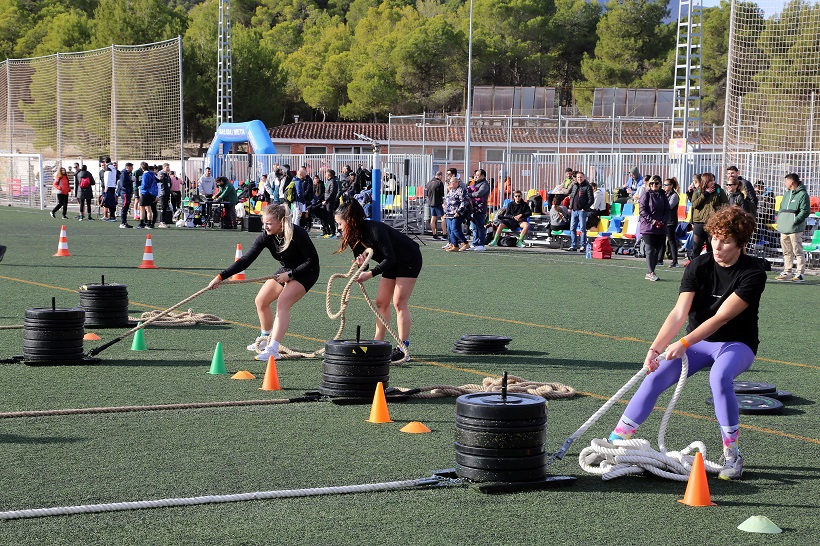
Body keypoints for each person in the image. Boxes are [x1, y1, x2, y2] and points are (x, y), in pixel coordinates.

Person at [607, 205, 766, 480]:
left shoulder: (753, 273)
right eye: (715, 237)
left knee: (719, 378)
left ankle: (732, 455)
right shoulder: (699, 264)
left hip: (735, 343)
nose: (717, 245)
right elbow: (679, 313)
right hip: (696, 342)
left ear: (740, 242)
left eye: (726, 240)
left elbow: (720, 319)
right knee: (655, 377)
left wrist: (682, 342)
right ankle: (615, 441)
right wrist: (655, 348)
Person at [208, 204, 320, 362]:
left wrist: (291, 274)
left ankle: (273, 349)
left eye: (269, 223)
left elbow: (313, 261)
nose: (265, 226)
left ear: (281, 222)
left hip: (306, 272)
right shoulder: (266, 237)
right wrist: (220, 277)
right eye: (264, 223)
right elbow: (246, 260)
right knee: (261, 301)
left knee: (283, 303)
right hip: (287, 269)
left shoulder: (297, 233)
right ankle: (265, 338)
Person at [334, 199, 423, 362]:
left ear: (350, 220)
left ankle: (403, 348)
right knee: (381, 302)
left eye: (340, 224)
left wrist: (370, 274)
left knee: (399, 302)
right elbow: (366, 265)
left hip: (408, 258)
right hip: (391, 261)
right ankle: (378, 343)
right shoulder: (353, 238)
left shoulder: (374, 229)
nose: (338, 228)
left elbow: (390, 258)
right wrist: (362, 266)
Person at [775, 173, 811, 283]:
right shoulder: (786, 194)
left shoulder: (803, 194)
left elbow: (805, 211)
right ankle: (787, 271)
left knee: (797, 250)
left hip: (795, 228)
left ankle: (800, 273)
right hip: (784, 227)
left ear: (791, 182)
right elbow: (781, 208)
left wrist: (794, 221)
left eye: (786, 181)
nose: (785, 183)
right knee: (786, 250)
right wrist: (780, 220)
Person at [687, 172, 727, 258]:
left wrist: (718, 213)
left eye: (713, 180)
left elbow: (726, 205)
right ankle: (694, 267)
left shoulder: (719, 190)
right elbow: (694, 205)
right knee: (696, 247)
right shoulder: (698, 191)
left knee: (711, 248)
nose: (713, 182)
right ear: (705, 181)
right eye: (710, 181)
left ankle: (711, 269)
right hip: (699, 222)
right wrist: (705, 194)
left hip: (713, 223)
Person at [639, 175, 671, 281]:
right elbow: (642, 210)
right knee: (650, 250)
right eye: (652, 183)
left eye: (656, 183)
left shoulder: (663, 195)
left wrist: (663, 221)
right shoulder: (646, 195)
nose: (654, 185)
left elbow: (667, 209)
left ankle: (651, 270)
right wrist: (652, 221)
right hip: (648, 226)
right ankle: (650, 272)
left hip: (660, 227)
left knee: (657, 249)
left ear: (660, 184)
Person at [566, 171, 594, 252]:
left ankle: (583, 245)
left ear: (584, 177)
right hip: (574, 210)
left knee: (582, 228)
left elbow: (591, 199)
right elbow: (572, 196)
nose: (579, 179)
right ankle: (573, 245)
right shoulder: (575, 186)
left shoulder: (587, 186)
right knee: (572, 228)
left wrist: (585, 208)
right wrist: (570, 207)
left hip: (582, 211)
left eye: (581, 177)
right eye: (578, 177)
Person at [443, 175, 470, 252]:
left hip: (457, 213)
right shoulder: (450, 191)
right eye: (449, 182)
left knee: (455, 228)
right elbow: (447, 201)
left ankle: (465, 242)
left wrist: (459, 211)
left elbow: (464, 202)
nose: (450, 184)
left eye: (451, 182)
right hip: (449, 213)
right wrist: (445, 211)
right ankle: (454, 245)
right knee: (450, 229)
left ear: (456, 183)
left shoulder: (461, 190)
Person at [468, 169, 490, 250]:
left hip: (480, 208)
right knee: (474, 227)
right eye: (475, 175)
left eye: (478, 175)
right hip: (473, 207)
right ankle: (475, 243)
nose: (475, 177)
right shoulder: (474, 183)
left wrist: (469, 194)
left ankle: (481, 244)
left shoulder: (484, 184)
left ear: (483, 176)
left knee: (480, 226)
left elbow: (479, 193)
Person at [660, 177, 680, 268]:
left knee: (671, 240)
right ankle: (660, 259)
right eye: (663, 185)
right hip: (664, 220)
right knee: (662, 240)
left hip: (671, 221)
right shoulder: (664, 194)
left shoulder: (674, 195)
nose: (664, 187)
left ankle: (675, 261)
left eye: (666, 185)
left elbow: (669, 206)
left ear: (671, 186)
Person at [425, 171, 446, 240]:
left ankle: (434, 234)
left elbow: (426, 194)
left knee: (433, 218)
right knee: (443, 218)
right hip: (438, 203)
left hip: (430, 203)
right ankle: (444, 234)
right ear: (440, 176)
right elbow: (442, 194)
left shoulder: (428, 183)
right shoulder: (439, 183)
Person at [320, 168, 339, 238]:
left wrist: (327, 200)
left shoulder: (333, 182)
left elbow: (332, 193)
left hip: (330, 202)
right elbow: (326, 192)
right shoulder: (329, 181)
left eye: (326, 173)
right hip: (326, 202)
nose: (325, 175)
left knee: (330, 217)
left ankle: (333, 232)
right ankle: (327, 231)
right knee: (325, 216)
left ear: (328, 174)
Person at [116, 162, 135, 228]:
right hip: (125, 193)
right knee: (124, 207)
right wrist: (131, 181)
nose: (132, 168)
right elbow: (123, 184)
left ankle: (125, 222)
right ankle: (122, 222)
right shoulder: (124, 174)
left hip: (127, 192)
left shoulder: (128, 174)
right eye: (131, 167)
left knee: (126, 207)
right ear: (128, 167)